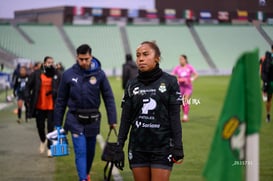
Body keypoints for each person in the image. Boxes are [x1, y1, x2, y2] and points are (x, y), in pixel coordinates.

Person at [115, 41, 184, 181]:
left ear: (157, 58)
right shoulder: (131, 84)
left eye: (146, 54)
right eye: (138, 55)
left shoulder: (170, 82)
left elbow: (174, 116)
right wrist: (119, 146)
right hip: (138, 148)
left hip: (162, 147)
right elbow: (125, 118)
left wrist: (178, 145)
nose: (140, 58)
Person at [53, 44, 117, 181]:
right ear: (77, 57)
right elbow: (61, 101)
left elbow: (108, 97)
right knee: (80, 151)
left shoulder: (99, 74)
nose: (84, 62)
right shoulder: (68, 74)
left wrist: (112, 119)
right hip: (75, 119)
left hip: (93, 119)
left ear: (91, 57)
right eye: (81, 59)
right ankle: (82, 178)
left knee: (90, 151)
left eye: (86, 59)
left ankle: (86, 174)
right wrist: (57, 124)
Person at [25, 56, 62, 157]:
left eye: (52, 62)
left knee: (50, 128)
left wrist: (56, 92)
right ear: (44, 63)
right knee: (40, 127)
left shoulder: (57, 74)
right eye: (49, 62)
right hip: (39, 105)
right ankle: (43, 140)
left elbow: (63, 88)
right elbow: (28, 86)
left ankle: (50, 149)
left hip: (51, 106)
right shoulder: (37, 74)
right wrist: (27, 96)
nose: (51, 64)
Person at [171, 54, 198, 122]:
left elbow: (196, 75)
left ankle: (185, 116)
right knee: (181, 102)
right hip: (180, 87)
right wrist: (178, 80)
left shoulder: (189, 67)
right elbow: (172, 75)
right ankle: (181, 115)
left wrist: (190, 80)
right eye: (179, 59)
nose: (180, 61)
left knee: (185, 100)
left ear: (185, 60)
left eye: (182, 59)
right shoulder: (177, 68)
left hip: (188, 87)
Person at [261, 45, 273, 122]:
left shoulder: (267, 58)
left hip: (269, 81)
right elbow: (264, 71)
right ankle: (268, 115)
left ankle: (268, 115)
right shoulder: (267, 58)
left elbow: (263, 71)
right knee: (269, 99)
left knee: (268, 99)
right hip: (270, 82)